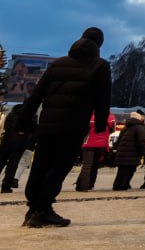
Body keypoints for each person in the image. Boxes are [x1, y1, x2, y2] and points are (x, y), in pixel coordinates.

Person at [21, 27, 112, 227]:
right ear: (100, 44)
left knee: (41, 165)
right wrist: (100, 126)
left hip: (47, 125)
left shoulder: (58, 64)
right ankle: (43, 209)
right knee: (59, 166)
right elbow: (103, 98)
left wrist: (26, 119)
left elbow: (37, 93)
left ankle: (33, 207)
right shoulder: (99, 66)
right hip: (73, 125)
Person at [0, 103, 34, 194]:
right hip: (19, 145)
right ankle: (6, 187)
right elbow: (31, 131)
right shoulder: (28, 117)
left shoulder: (11, 115)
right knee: (12, 166)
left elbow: (7, 128)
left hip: (6, 143)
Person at [75, 113, 114, 192]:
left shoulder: (88, 116)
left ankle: (83, 186)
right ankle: (90, 185)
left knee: (87, 165)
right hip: (102, 145)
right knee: (95, 165)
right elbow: (112, 130)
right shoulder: (111, 117)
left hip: (88, 144)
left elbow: (82, 129)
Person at [112, 112, 145, 190]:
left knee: (121, 171)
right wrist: (142, 152)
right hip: (133, 153)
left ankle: (117, 185)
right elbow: (141, 141)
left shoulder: (125, 127)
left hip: (122, 152)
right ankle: (123, 185)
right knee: (130, 170)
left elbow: (119, 139)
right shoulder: (139, 128)